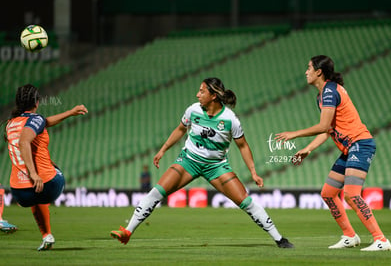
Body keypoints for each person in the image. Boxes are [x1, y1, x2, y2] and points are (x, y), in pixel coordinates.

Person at [110, 77, 294, 248]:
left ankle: (280, 239)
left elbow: (243, 146)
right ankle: (127, 232)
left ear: (213, 95)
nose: (197, 95)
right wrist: (163, 149)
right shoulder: (193, 110)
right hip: (189, 160)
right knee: (156, 193)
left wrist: (253, 172)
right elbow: (181, 129)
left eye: (201, 91)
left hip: (216, 167)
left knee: (246, 202)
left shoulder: (230, 119)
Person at [275, 55, 391, 251]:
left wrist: (295, 134)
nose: (306, 72)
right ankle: (349, 236)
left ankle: (380, 239)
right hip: (350, 148)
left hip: (360, 144)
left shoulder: (330, 90)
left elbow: (323, 125)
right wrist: (308, 149)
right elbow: (328, 130)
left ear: (318, 72)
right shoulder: (321, 96)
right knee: (328, 193)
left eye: (309, 68)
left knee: (351, 194)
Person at [4, 84, 87, 251]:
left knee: (36, 195)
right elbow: (24, 141)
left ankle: (47, 236)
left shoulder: (10, 124)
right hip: (49, 184)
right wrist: (34, 174)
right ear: (37, 102)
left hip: (19, 192)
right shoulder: (36, 119)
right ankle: (42, 177)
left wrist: (70, 112)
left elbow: (44, 122)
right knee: (51, 171)